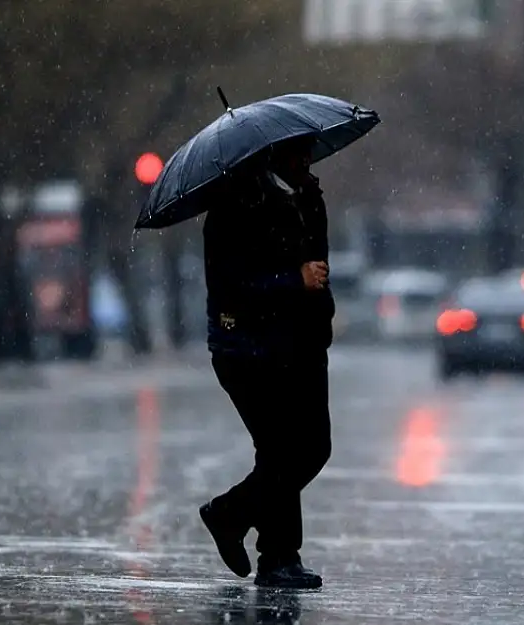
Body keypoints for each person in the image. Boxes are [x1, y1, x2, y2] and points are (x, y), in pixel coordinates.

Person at [198, 134, 334, 590]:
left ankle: (234, 518)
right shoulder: (234, 205)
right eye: (299, 152)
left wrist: (319, 312)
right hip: (249, 350)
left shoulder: (309, 195)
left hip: (304, 343)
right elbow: (232, 285)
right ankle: (276, 556)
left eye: (309, 151)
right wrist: (292, 281)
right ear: (274, 154)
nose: (307, 159)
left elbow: (319, 264)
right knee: (282, 452)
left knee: (311, 448)